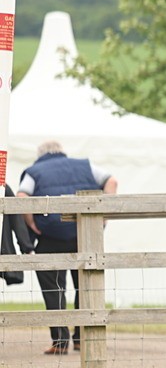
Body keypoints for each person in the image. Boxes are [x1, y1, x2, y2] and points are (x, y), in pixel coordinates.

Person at [16, 141, 118, 354]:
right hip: (84, 234)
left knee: (54, 289)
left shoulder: (34, 172)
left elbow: (21, 197)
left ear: (40, 155)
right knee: (86, 285)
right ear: (62, 153)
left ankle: (60, 342)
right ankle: (82, 338)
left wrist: (32, 224)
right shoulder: (85, 166)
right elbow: (112, 182)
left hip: (50, 236)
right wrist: (103, 218)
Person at [1, 183, 35, 285]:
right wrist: (27, 247)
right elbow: (16, 219)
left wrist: (27, 247)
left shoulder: (2, 188)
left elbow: (16, 217)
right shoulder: (2, 187)